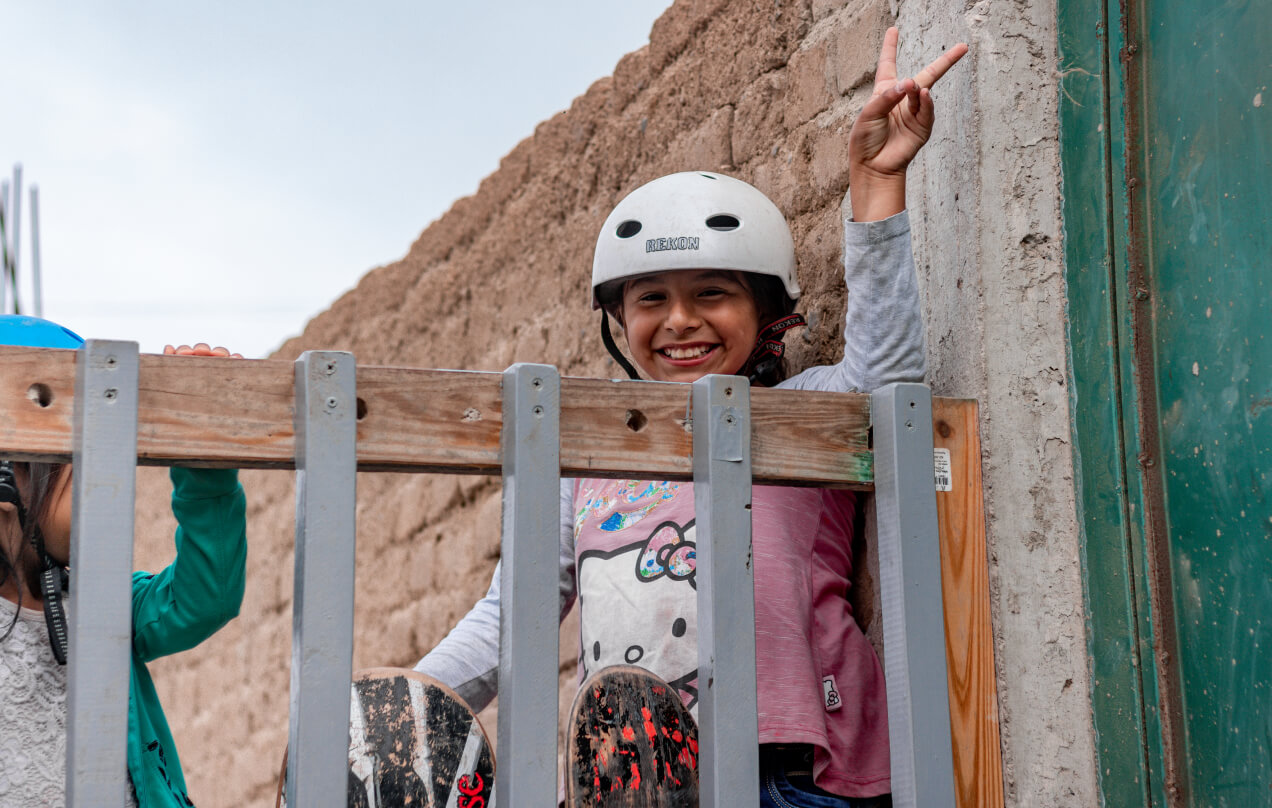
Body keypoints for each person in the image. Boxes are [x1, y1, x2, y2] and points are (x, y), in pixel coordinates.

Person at [416, 28, 967, 807]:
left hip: (786, 767)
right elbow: (516, 609)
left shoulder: (802, 411)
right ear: (620, 320)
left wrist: (875, 187)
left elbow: (889, 375)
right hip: (628, 774)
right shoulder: (585, 458)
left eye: (712, 292)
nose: (680, 320)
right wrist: (417, 694)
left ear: (767, 313)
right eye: (651, 299)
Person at [0, 315, 248, 808]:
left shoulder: (110, 604)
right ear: (8, 475)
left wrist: (204, 461)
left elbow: (206, 599)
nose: (110, 484)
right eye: (87, 462)